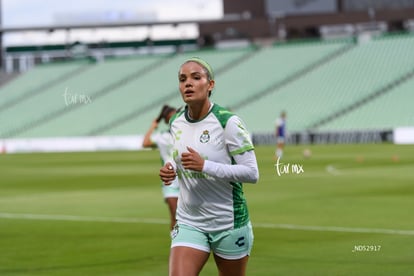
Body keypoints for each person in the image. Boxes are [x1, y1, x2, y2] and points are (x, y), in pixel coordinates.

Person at [159, 57, 259, 276]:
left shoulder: (228, 122)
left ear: (210, 84)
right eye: (182, 79)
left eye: (196, 77)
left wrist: (205, 166)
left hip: (228, 223)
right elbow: (176, 158)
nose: (188, 83)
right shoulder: (176, 120)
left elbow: (252, 173)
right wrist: (170, 169)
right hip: (189, 221)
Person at [142, 104, 179, 231]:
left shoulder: (187, 134)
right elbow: (145, 143)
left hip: (188, 179)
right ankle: (176, 247)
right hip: (171, 182)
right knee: (175, 217)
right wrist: (153, 125)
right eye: (171, 117)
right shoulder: (163, 137)